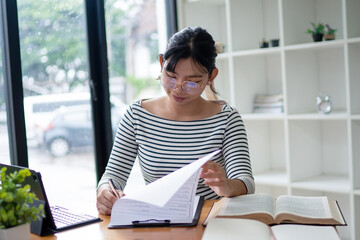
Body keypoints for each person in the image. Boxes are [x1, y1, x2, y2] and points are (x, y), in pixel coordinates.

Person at [96, 26, 255, 215]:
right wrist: (105, 191)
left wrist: (227, 186)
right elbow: (113, 176)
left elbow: (246, 182)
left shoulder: (227, 119)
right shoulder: (136, 115)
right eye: (171, 77)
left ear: (211, 76)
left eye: (192, 82)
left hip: (210, 221)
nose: (178, 89)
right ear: (161, 63)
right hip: (157, 220)